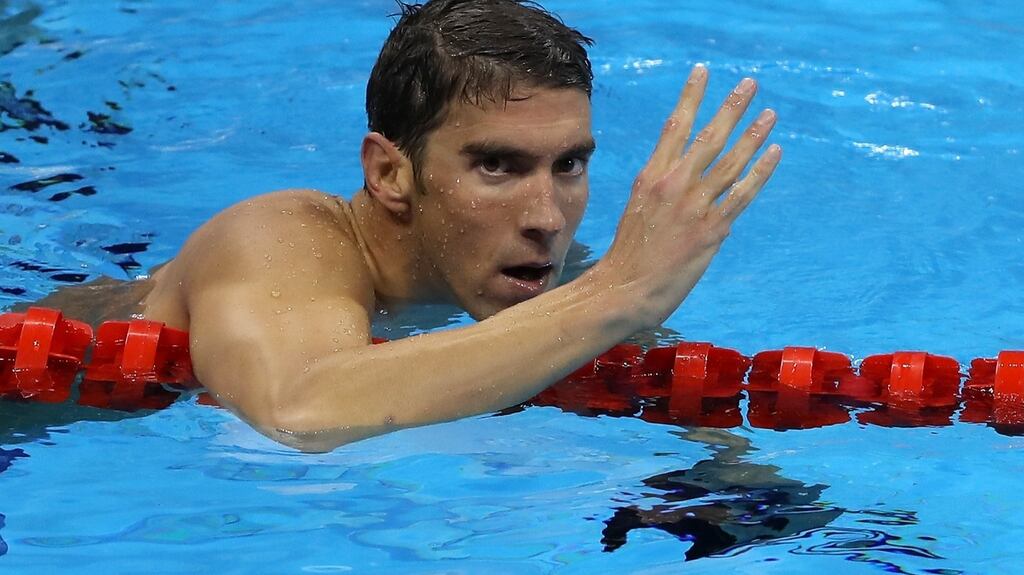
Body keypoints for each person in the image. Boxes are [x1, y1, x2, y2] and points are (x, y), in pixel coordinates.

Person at [32, 0, 780, 451]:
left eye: (569, 165)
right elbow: (298, 413)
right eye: (497, 166)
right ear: (390, 173)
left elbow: (678, 398)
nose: (547, 217)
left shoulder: (559, 270)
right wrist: (622, 290)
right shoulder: (274, 240)